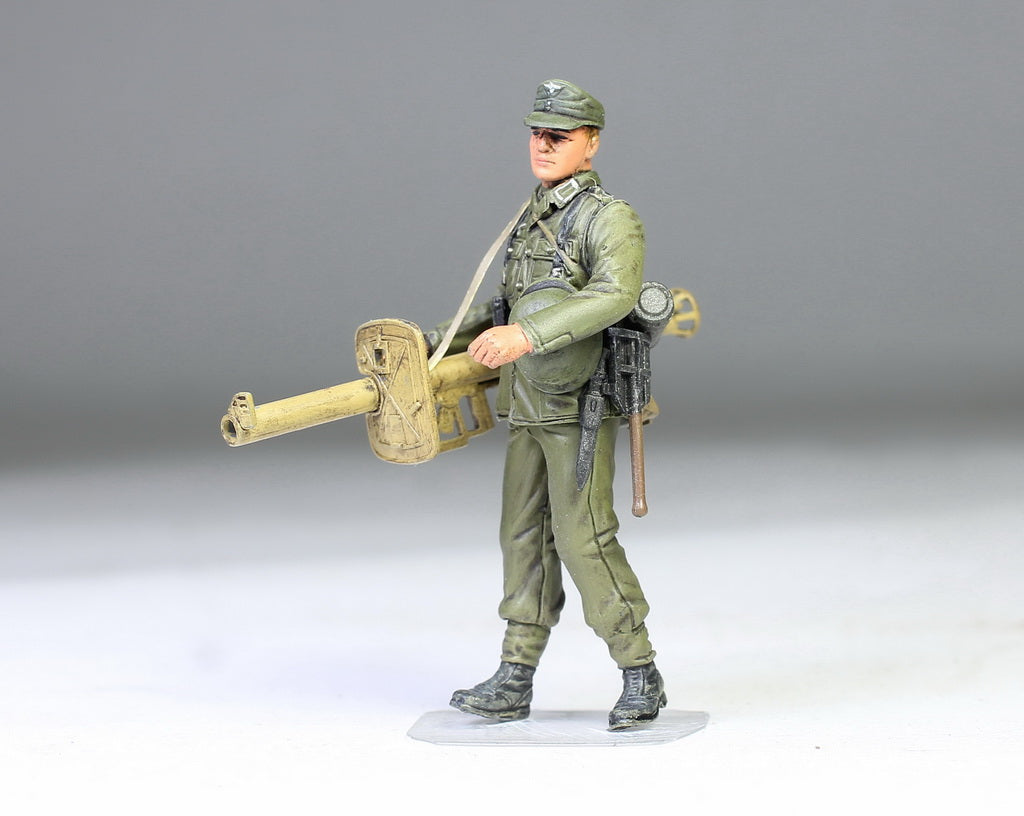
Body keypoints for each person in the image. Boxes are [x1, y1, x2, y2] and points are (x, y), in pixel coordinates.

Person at [427, 79, 665, 731]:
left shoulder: (607, 217)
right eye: (537, 133)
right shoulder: (532, 215)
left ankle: (640, 670)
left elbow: (614, 295)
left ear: (592, 144)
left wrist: (527, 336)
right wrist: (437, 342)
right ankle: (515, 674)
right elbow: (506, 308)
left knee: (584, 538)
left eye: (558, 135)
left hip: (578, 404)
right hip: (528, 401)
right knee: (522, 537)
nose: (543, 145)